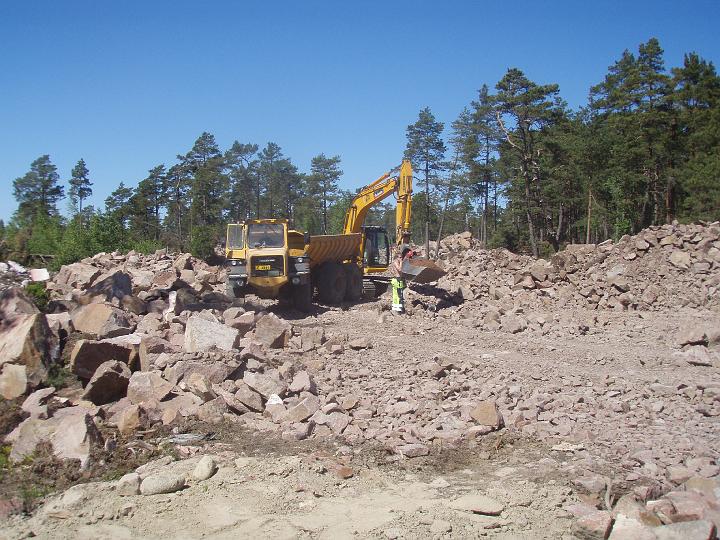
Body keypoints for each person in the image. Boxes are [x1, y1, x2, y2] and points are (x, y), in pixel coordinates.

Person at [390, 245, 412, 314]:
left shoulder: (399, 262)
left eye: (401, 257)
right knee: (397, 295)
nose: (401, 258)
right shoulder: (396, 262)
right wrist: (401, 262)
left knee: (400, 295)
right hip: (396, 280)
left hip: (399, 280)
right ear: (397, 257)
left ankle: (399, 308)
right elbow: (399, 269)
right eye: (400, 257)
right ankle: (397, 309)